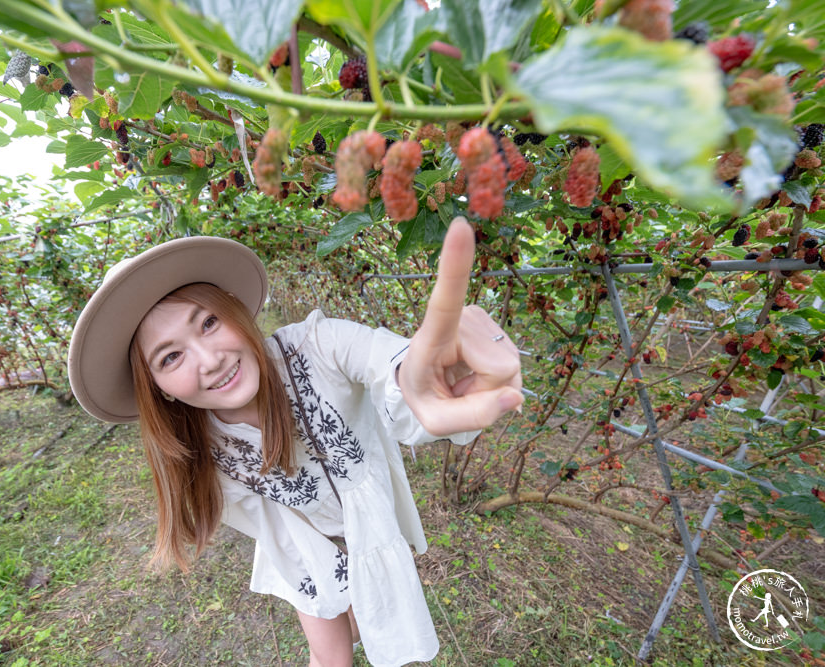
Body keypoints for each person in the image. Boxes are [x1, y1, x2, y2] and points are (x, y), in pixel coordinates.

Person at [67, 217, 523, 667]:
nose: (210, 360)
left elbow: (385, 362)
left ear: (234, 310)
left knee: (369, 623)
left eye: (208, 322)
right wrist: (330, 588)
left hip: (373, 522)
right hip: (302, 544)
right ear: (159, 386)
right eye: (170, 357)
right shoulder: (200, 448)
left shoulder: (317, 347)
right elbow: (274, 524)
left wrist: (426, 376)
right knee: (331, 655)